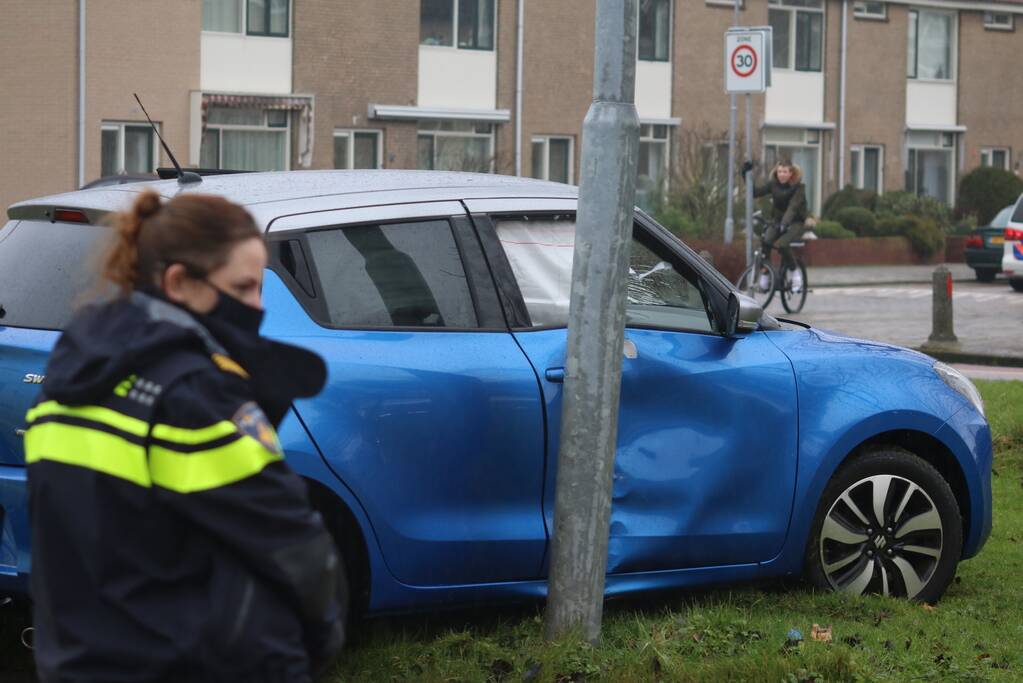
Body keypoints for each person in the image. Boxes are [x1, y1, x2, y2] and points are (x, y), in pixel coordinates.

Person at [23, 190, 346, 682]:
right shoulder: (191, 395)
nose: (257, 306)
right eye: (243, 288)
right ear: (179, 282)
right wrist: (319, 642)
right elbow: (294, 548)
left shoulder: (65, 381)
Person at [744, 159, 808, 292]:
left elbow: (793, 207)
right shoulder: (773, 185)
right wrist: (745, 173)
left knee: (782, 245)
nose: (782, 175)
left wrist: (785, 223)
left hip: (796, 222)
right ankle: (766, 274)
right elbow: (754, 192)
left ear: (791, 173)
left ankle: (795, 273)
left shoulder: (799, 188)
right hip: (778, 221)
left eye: (785, 172)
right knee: (766, 242)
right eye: (779, 171)